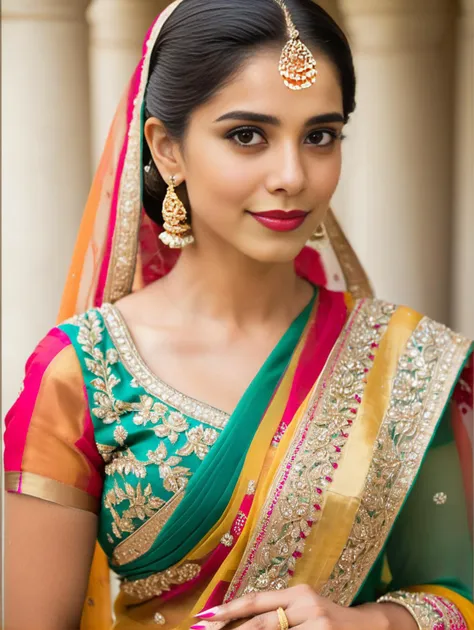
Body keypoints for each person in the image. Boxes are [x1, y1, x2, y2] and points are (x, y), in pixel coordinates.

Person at [4, 0, 473, 628]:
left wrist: (367, 623)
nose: (292, 175)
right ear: (167, 149)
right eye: (246, 135)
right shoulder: (83, 372)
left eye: (320, 136)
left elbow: (458, 597)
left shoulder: (412, 363)